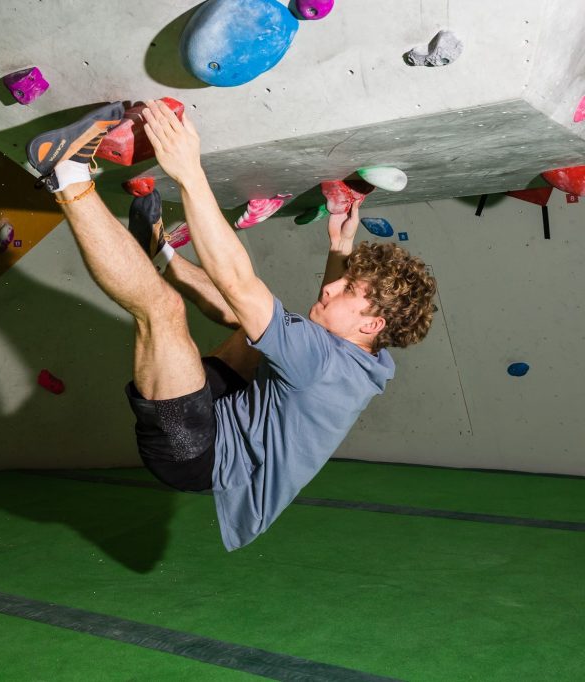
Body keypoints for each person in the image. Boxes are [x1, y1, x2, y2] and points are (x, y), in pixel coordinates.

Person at [26, 100, 437, 550]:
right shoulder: (366, 357)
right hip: (231, 410)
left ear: (373, 322)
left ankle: (65, 173)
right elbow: (320, 330)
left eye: (347, 290)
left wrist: (188, 170)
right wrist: (341, 245)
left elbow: (238, 282)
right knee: (255, 328)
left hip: (196, 455)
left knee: (164, 312)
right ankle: (160, 255)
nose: (329, 290)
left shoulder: (322, 367)